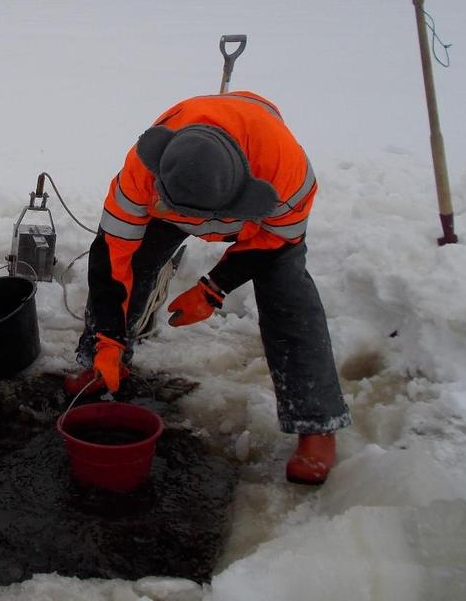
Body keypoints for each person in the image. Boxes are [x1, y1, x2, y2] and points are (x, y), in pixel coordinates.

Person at [65, 90, 351, 484]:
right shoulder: (143, 170)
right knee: (133, 261)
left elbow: (277, 241)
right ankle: (102, 361)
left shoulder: (285, 173)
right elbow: (112, 258)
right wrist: (108, 338)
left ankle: (317, 421)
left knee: (288, 293)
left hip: (259, 225)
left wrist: (214, 287)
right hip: (166, 197)